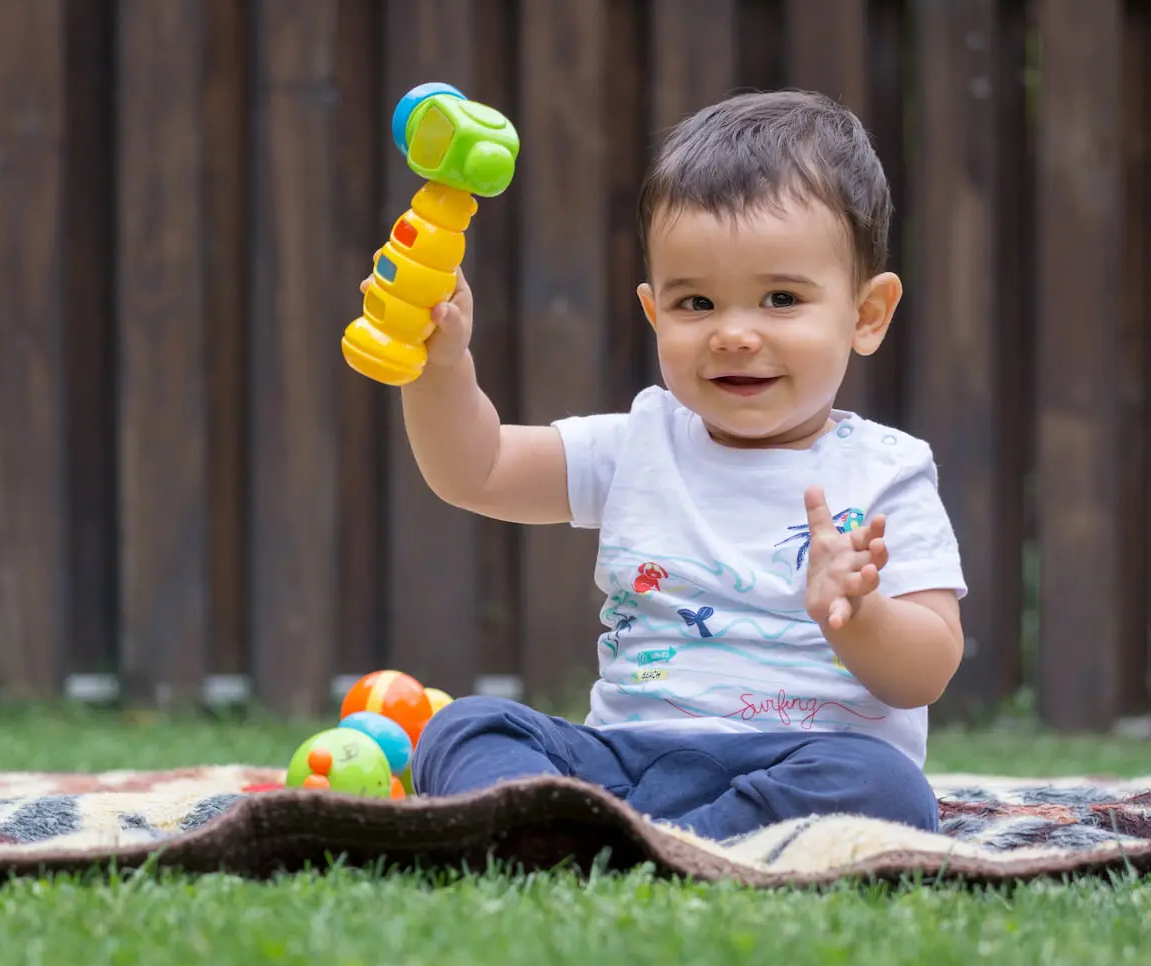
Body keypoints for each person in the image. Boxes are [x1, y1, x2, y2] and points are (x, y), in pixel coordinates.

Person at [391, 89, 965, 843]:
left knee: (886, 787)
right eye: (695, 303)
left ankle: (636, 843)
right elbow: (479, 469)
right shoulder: (640, 442)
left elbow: (925, 671)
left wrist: (858, 617)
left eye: (780, 298)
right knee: (465, 725)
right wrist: (441, 364)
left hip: (803, 759)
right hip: (625, 760)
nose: (732, 334)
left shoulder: (888, 470)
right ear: (654, 312)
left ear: (866, 314)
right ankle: (602, 829)